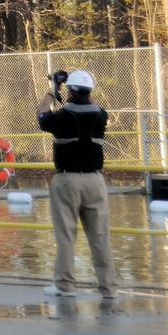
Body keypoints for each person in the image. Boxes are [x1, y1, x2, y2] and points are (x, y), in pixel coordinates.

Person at [38, 68, 118, 300]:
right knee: (101, 237)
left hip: (67, 181)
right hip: (95, 182)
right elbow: (91, 103)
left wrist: (53, 90)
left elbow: (41, 115)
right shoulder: (100, 115)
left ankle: (65, 286)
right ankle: (109, 289)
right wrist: (80, 87)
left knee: (66, 237)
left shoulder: (61, 117)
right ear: (90, 91)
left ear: (71, 91)